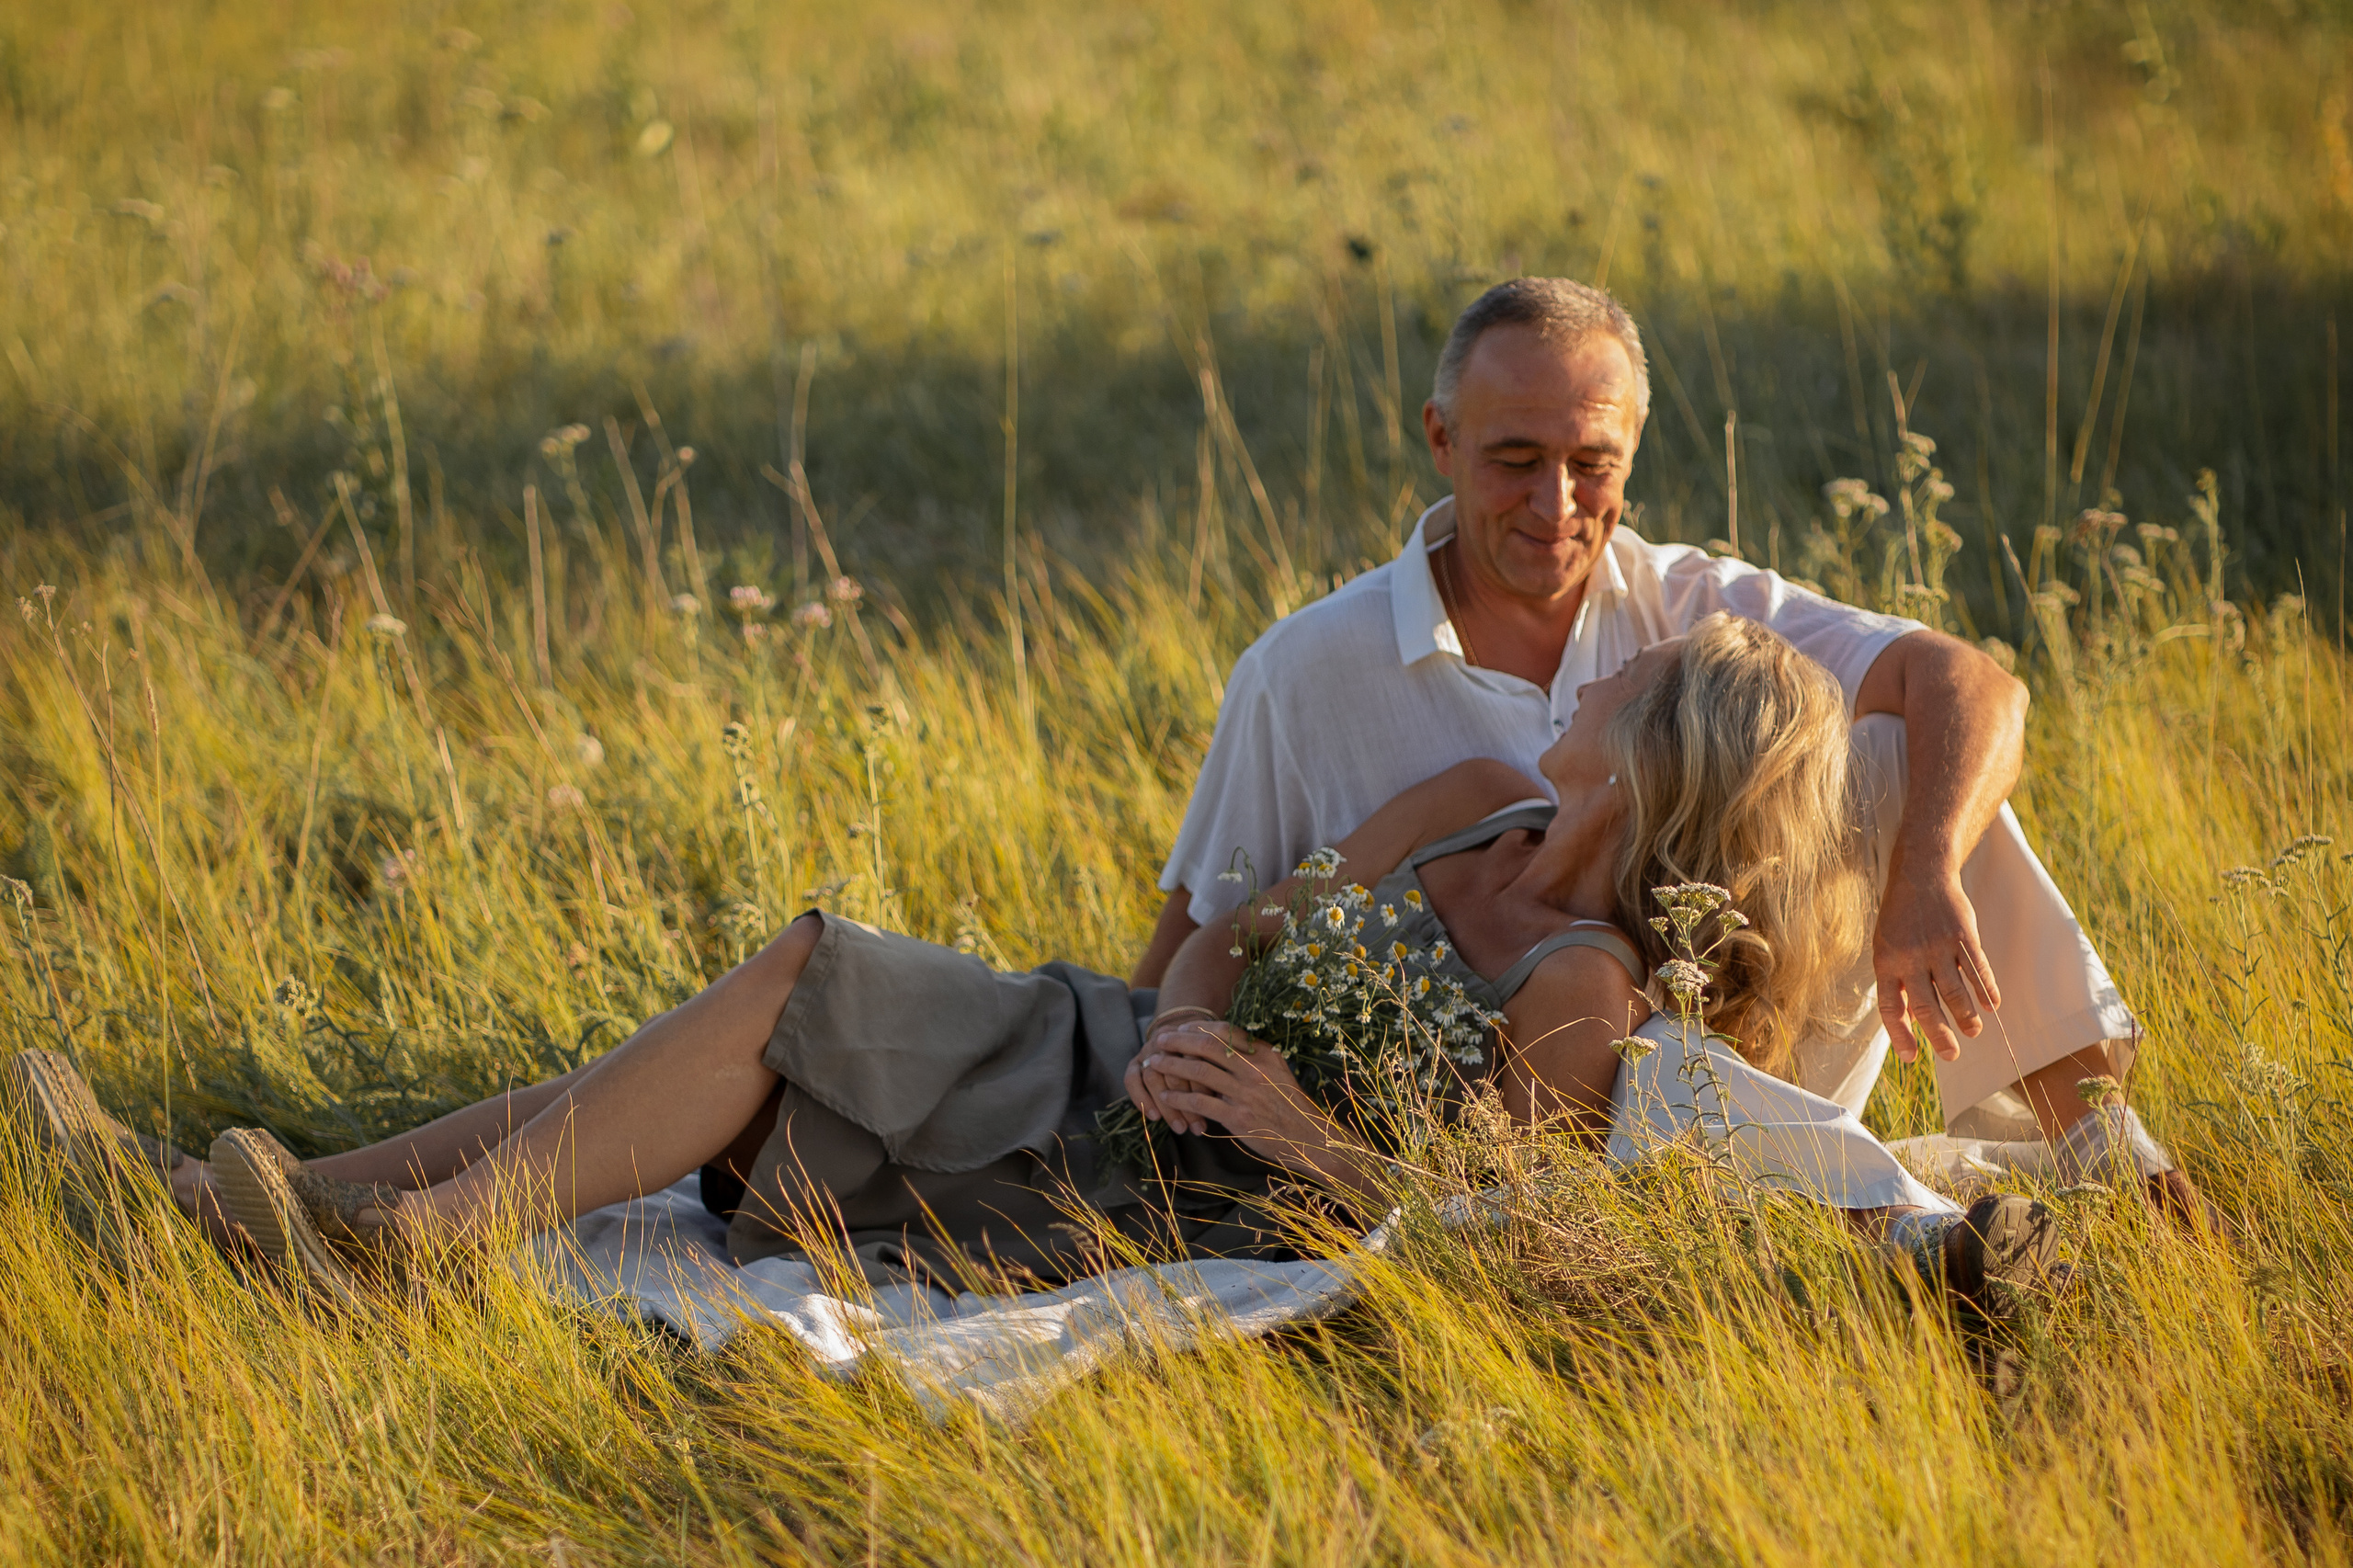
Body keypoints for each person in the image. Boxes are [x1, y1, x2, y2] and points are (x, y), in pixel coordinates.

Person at [6, 617, 2057, 1314]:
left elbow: (1492, 1237)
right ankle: (276, 1214)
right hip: (1116, 1051)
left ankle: (321, 1221)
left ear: (1664, 751)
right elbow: (1247, 926)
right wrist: (1187, 1016)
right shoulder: (1458, 793)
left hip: (1198, 1181)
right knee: (789, 1020)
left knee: (805, 996)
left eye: (1620, 678)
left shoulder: (1582, 995)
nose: (1582, 665)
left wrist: (1271, 1115)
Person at [1136, 277, 2206, 1221]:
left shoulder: (1692, 609)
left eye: (1590, 464)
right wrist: (1161, 1058)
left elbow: (1974, 682)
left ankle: (2104, 1149)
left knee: (1904, 754)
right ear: (1441, 439)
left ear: (1631, 455)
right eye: (1514, 459)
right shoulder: (1305, 672)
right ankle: (1900, 1207)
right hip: (1472, 1103)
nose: (1556, 505)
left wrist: (1923, 872)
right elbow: (1206, 918)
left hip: (1704, 1064)